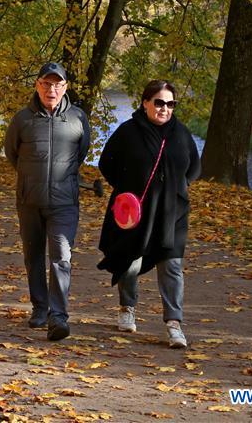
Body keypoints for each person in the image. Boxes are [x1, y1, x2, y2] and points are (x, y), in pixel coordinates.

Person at [96, 80, 200, 349]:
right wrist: (127, 190)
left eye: (170, 104)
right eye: (159, 102)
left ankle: (174, 323)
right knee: (131, 260)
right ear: (145, 103)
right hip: (136, 211)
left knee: (172, 265)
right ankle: (127, 307)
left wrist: (178, 189)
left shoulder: (181, 134)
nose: (164, 108)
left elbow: (194, 167)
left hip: (172, 213)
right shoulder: (128, 132)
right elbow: (107, 163)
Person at [4, 62, 90, 341]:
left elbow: (81, 154)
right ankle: (40, 308)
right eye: (45, 83)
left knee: (61, 257)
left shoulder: (78, 119)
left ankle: (58, 316)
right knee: (33, 256)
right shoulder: (22, 119)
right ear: (37, 85)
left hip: (65, 202)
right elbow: (12, 154)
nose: (51, 89)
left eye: (57, 84)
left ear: (65, 88)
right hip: (29, 201)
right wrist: (32, 178)